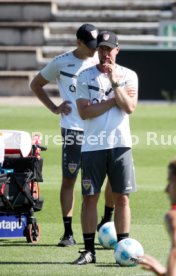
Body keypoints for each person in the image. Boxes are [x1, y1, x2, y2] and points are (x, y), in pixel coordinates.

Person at [30, 23, 101, 247]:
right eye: (90, 45)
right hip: (72, 129)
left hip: (97, 130)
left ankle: (98, 227)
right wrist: (53, 108)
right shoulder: (62, 62)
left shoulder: (100, 61)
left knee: (92, 183)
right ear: (78, 42)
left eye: (96, 45)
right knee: (70, 178)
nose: (94, 49)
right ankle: (68, 233)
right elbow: (36, 84)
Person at [72, 30, 138, 265]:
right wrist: (113, 101)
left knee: (122, 199)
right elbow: (84, 112)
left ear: (117, 50)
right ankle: (88, 251)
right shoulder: (84, 76)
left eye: (109, 49)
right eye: (101, 49)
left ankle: (124, 247)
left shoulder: (129, 76)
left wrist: (114, 82)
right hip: (92, 147)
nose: (105, 53)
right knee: (90, 198)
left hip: (121, 145)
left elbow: (129, 107)